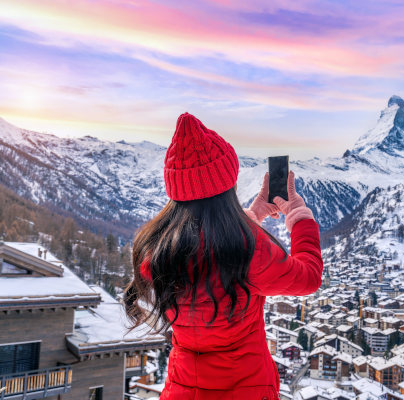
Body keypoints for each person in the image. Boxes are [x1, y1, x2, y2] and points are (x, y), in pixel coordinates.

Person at [124, 112, 323, 400]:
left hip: (182, 390)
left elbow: (204, 246)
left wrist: (253, 217)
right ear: (228, 186)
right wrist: (298, 216)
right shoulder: (247, 251)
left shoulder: (156, 250)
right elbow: (308, 277)